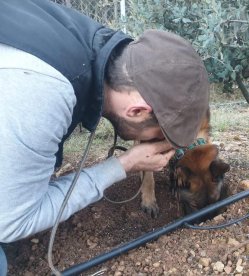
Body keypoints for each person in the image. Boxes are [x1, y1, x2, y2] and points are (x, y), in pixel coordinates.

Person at [0, 0, 209, 273]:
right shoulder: (45, 90)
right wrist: (124, 165)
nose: (155, 145)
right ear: (136, 110)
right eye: (158, 136)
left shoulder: (86, 42)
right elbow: (12, 222)